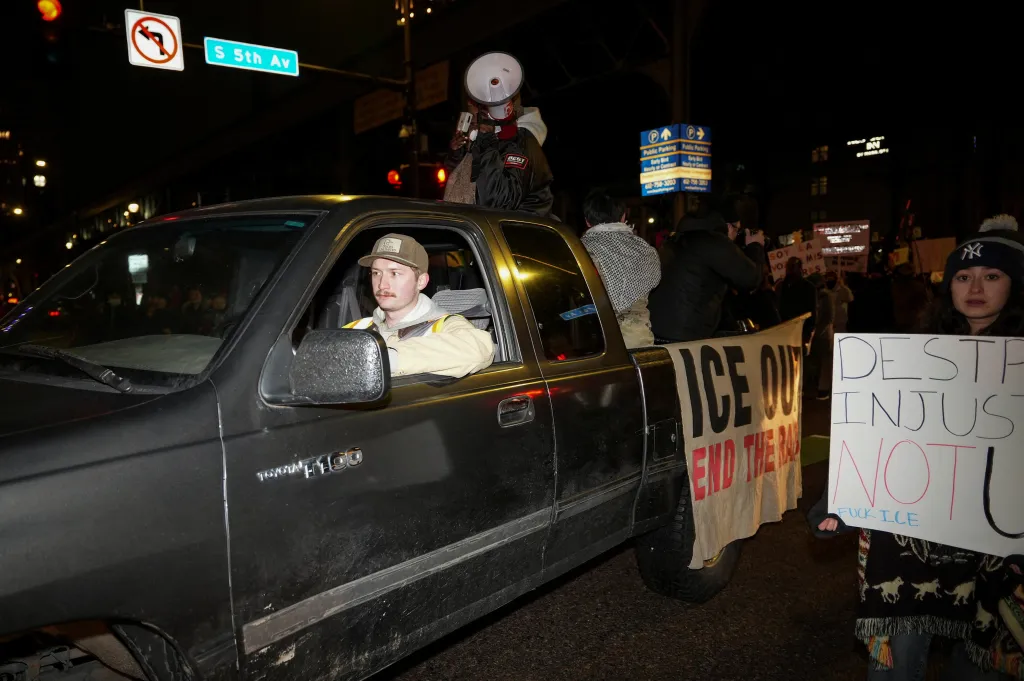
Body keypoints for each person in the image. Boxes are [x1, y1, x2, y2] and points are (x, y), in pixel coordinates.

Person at [823, 216, 1024, 681]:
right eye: (963, 276)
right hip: (915, 545)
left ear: (1015, 285)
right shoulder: (915, 358)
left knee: (981, 663)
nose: (975, 287)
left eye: (992, 276)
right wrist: (839, 498)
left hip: (999, 548)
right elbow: (879, 436)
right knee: (893, 660)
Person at [344, 234, 495, 378]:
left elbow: (479, 348)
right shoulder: (358, 328)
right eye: (376, 273)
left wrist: (381, 359)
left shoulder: (444, 325)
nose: (382, 284)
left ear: (421, 281)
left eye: (394, 273)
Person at [648, 198, 764, 342]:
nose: (736, 236)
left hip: (659, 332)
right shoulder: (714, 242)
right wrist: (755, 246)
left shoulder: (677, 240)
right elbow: (751, 278)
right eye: (737, 230)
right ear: (727, 226)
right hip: (685, 338)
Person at [444, 89, 553, 216]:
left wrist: (486, 142)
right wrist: (457, 153)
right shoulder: (490, 142)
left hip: (523, 232)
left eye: (476, 119)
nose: (473, 124)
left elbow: (500, 201)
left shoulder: (520, 142)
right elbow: (469, 184)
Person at [579, 189, 661, 348]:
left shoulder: (579, 250)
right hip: (638, 341)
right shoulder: (646, 250)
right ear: (623, 216)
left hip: (594, 343)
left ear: (587, 221)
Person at [777, 257, 817, 349]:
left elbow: (812, 313)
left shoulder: (809, 287)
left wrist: (807, 334)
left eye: (792, 266)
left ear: (799, 269)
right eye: (788, 266)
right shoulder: (781, 286)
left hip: (800, 333)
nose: (789, 269)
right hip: (783, 332)